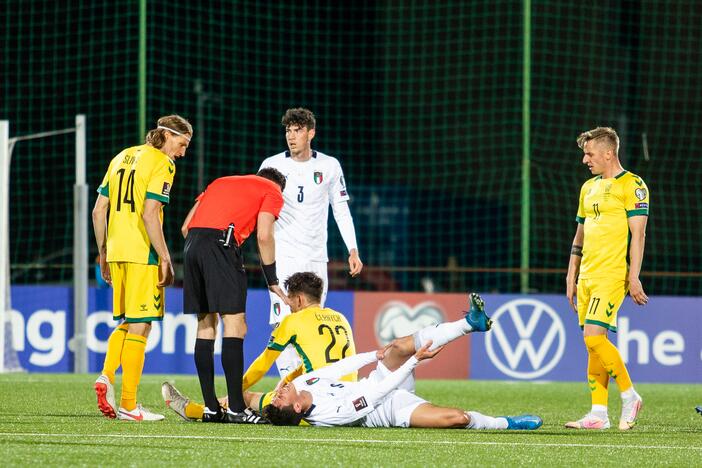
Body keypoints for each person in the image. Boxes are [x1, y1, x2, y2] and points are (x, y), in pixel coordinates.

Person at [262, 308, 541, 430]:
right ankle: (506, 422)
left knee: (395, 347)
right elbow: (377, 396)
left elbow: (340, 367)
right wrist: (415, 361)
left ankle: (470, 323)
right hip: (392, 409)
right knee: (457, 418)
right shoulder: (330, 415)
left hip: (378, 379)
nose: (279, 390)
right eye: (280, 398)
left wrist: (375, 355)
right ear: (297, 409)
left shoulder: (303, 384)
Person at [92, 114, 192, 421]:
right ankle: (129, 404)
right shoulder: (163, 163)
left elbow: (98, 211)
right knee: (142, 325)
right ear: (165, 135)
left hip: (117, 251)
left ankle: (106, 376)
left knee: (130, 322)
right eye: (181, 143)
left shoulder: (121, 156)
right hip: (142, 252)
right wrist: (164, 256)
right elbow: (150, 214)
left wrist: (103, 251)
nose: (183, 151)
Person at [162, 271, 356, 421]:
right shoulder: (341, 318)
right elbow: (324, 362)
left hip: (315, 399)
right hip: (346, 395)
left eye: (290, 300)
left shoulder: (293, 321)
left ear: (300, 299)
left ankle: (192, 410)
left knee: (246, 400)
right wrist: (288, 379)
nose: (288, 306)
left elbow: (263, 364)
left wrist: (235, 393)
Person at [259, 107, 363, 377]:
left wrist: (353, 249)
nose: (291, 136)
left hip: (316, 259)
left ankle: (310, 387)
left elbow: (340, 209)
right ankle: (289, 390)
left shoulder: (329, 166)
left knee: (311, 323)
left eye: (297, 131)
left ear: (311, 133)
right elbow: (258, 210)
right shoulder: (271, 165)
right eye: (288, 131)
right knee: (284, 322)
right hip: (283, 258)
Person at [180, 167, 288, 424]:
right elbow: (264, 235)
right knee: (235, 323)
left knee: (205, 325)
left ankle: (211, 408)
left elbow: (185, 227)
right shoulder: (272, 190)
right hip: (222, 245)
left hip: (192, 247)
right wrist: (272, 280)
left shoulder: (220, 181)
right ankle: (237, 409)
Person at [565, 127, 649, 431]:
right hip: (586, 274)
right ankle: (598, 414)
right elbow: (580, 232)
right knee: (592, 346)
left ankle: (630, 395)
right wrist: (571, 273)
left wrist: (634, 276)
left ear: (608, 152)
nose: (585, 159)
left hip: (611, 275)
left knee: (594, 337)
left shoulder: (633, 185)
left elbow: (638, 234)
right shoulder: (588, 188)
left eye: (589, 154)